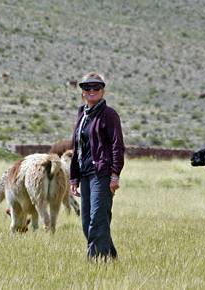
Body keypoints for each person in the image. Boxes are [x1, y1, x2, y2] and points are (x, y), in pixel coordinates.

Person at [69, 72, 125, 261]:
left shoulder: (109, 114)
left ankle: (96, 263)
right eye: (87, 87)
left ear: (103, 90)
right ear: (82, 91)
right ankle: (111, 257)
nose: (91, 91)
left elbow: (117, 145)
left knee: (98, 219)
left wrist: (115, 174)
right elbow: (76, 146)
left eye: (96, 87)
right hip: (84, 174)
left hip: (101, 174)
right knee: (87, 222)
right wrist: (74, 177)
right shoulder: (82, 113)